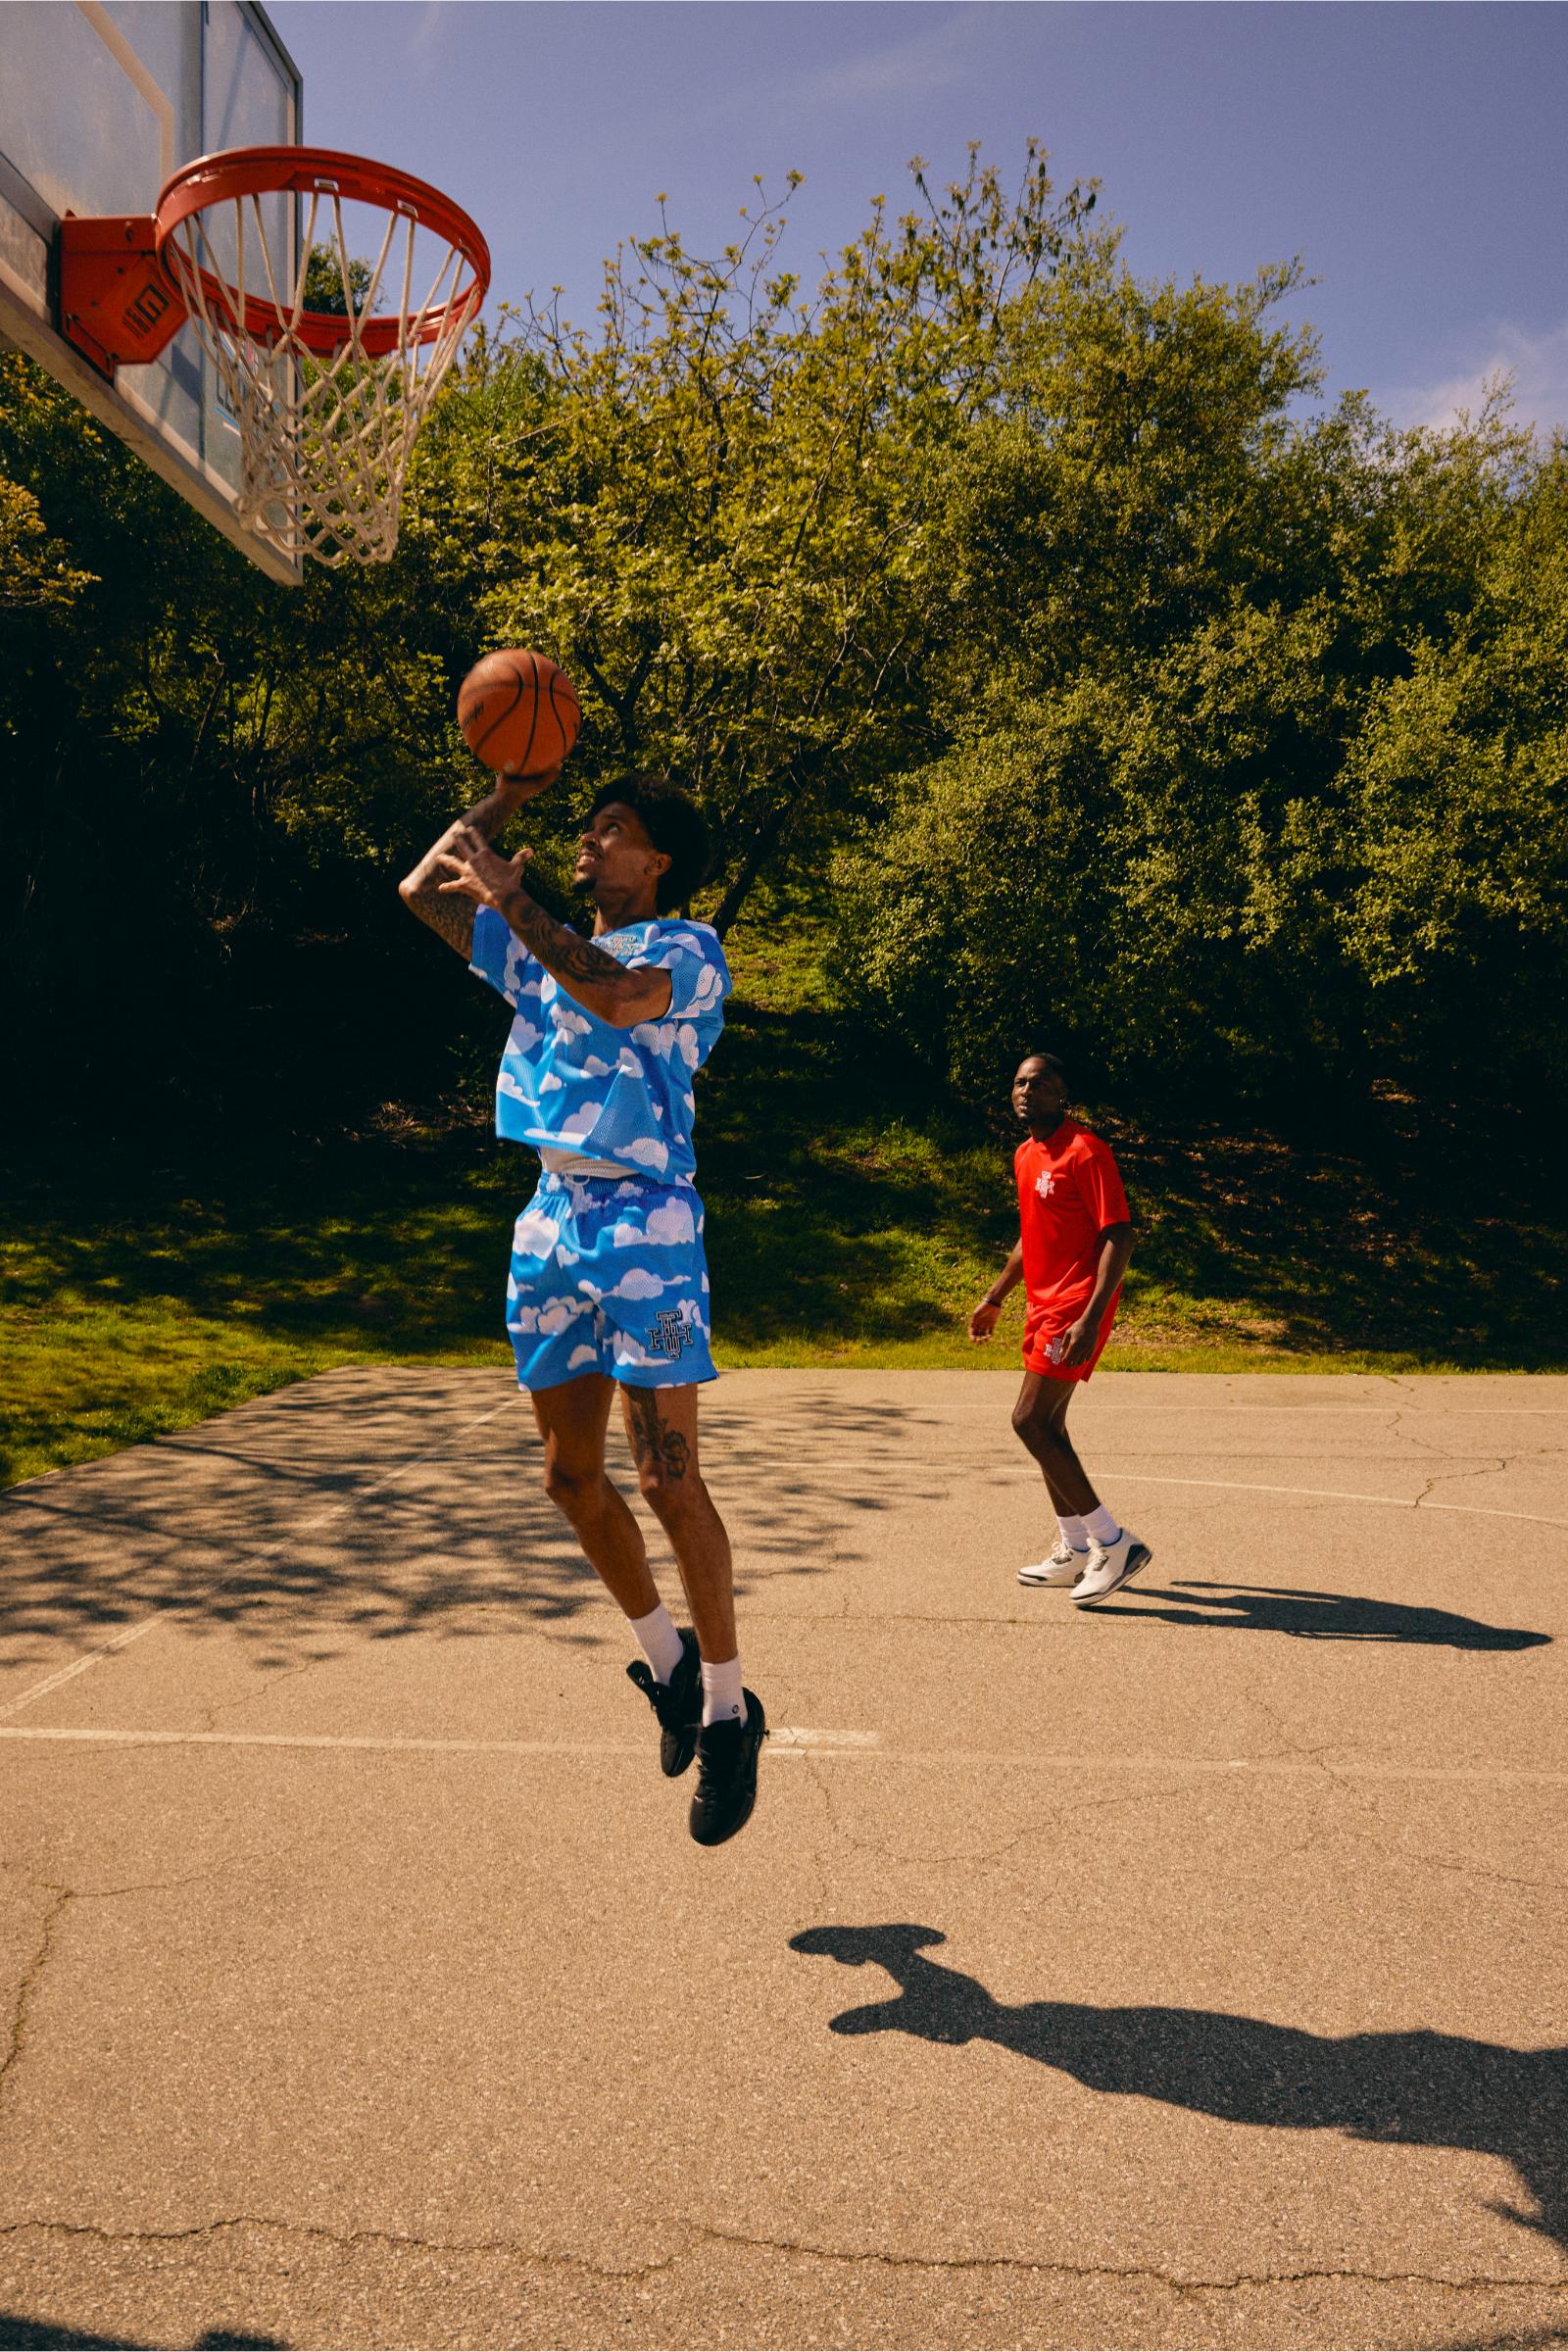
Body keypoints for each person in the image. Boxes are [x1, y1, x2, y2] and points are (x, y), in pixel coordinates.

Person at [397, 758, 765, 1844]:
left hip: (647, 1232)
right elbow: (423, 894)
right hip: (551, 1223)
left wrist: (514, 896)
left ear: (659, 862)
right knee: (567, 1477)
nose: (591, 841)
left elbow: (610, 991)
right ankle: (668, 1662)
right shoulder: (538, 952)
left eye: (614, 830)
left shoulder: (685, 953)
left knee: (667, 1476)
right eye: (589, 826)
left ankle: (731, 1711)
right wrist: (501, 801)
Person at [967, 1052, 1150, 1605]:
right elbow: (1030, 1236)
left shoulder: (1086, 1151)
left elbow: (1120, 1235)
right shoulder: (1025, 1155)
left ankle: (1113, 1542)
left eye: (1040, 1083)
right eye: (1019, 1081)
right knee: (1049, 1426)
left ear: (1061, 1094)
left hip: (1075, 1306)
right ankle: (1073, 1547)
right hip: (1042, 1306)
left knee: (1027, 1421)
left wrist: (1091, 1317)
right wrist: (995, 1297)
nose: (1026, 1090)